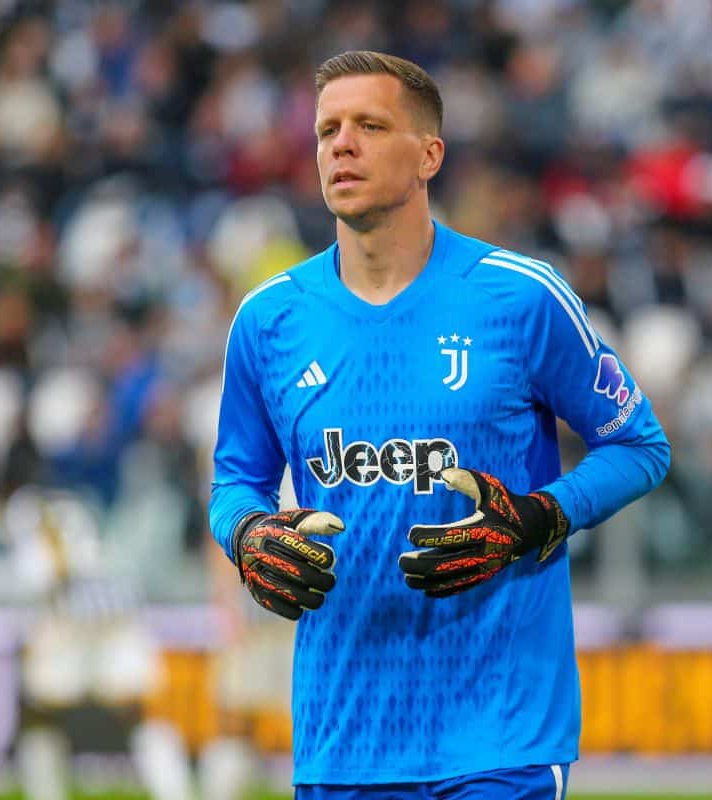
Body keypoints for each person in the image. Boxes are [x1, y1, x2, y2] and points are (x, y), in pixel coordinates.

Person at [209, 50, 670, 799]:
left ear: (429, 155)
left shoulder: (520, 298)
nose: (341, 145)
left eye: (369, 126)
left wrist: (542, 515)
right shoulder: (268, 320)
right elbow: (235, 481)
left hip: (501, 734)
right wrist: (248, 534)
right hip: (342, 738)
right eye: (327, 130)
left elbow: (638, 444)